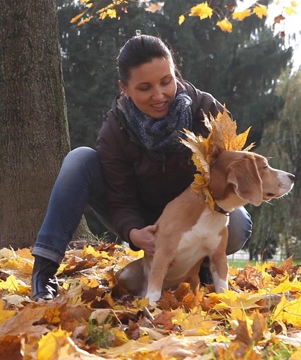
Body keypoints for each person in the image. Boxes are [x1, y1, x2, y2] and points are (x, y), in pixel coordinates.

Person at [30, 34, 252, 300]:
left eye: (166, 81)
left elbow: (228, 173)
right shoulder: (116, 129)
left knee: (237, 225)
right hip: (140, 217)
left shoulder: (205, 111)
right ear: (125, 88)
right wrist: (135, 232)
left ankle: (201, 268)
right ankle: (44, 273)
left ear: (175, 74)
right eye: (145, 88)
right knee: (79, 159)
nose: (159, 95)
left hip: (193, 214)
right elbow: (120, 198)